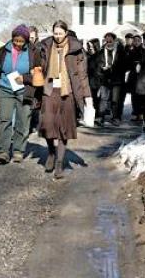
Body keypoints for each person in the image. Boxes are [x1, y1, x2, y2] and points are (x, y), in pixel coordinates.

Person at [39, 20, 92, 179]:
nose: (57, 36)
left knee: (64, 128)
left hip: (67, 91)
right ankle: (50, 153)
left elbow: (82, 75)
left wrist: (87, 95)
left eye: (60, 33)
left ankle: (59, 163)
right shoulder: (46, 46)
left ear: (66, 33)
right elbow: (38, 67)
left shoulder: (76, 49)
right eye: (55, 33)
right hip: (49, 89)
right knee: (47, 124)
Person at [0, 25, 40, 164]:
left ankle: (18, 150)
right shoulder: (4, 50)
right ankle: (3, 151)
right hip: (6, 89)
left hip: (25, 91)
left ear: (26, 40)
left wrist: (25, 78)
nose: (18, 44)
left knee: (23, 120)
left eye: (21, 41)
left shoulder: (34, 51)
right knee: (5, 120)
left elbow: (39, 74)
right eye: (16, 40)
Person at [94, 32, 126, 126]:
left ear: (114, 40)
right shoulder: (101, 51)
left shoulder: (120, 51)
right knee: (103, 99)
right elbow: (98, 64)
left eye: (110, 40)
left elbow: (124, 64)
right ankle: (100, 117)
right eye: (106, 40)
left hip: (117, 79)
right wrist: (102, 69)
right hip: (105, 79)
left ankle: (116, 117)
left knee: (115, 100)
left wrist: (112, 68)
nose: (108, 42)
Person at [127, 34, 144, 121]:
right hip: (133, 76)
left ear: (140, 41)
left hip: (142, 76)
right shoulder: (131, 51)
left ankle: (141, 113)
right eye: (135, 41)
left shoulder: (144, 51)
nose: (136, 42)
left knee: (140, 96)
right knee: (134, 96)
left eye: (138, 40)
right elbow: (128, 63)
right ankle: (135, 112)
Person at [86, 38, 102, 123]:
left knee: (98, 100)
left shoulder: (100, 56)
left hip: (97, 82)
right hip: (89, 81)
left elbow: (99, 71)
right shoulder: (88, 56)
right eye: (88, 47)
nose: (89, 49)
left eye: (91, 47)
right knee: (92, 100)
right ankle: (94, 116)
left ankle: (99, 116)